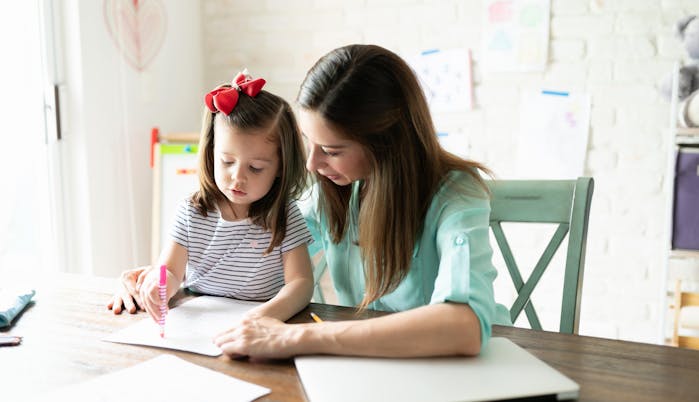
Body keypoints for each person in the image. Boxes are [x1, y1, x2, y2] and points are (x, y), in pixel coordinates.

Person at [212, 44, 511, 359]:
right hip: (371, 366)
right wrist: (175, 270)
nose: (312, 164)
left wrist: (300, 337)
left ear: (386, 144)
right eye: (308, 141)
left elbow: (464, 327)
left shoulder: (456, 196)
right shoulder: (331, 194)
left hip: (463, 371)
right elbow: (254, 255)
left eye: (332, 150)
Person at [107, 70, 315, 325]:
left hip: (260, 325)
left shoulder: (285, 215)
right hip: (198, 323)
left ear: (281, 167)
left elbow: (301, 282)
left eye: (256, 168)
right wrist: (158, 286)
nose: (237, 177)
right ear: (211, 153)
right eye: (227, 161)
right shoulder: (191, 212)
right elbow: (170, 271)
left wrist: (265, 315)